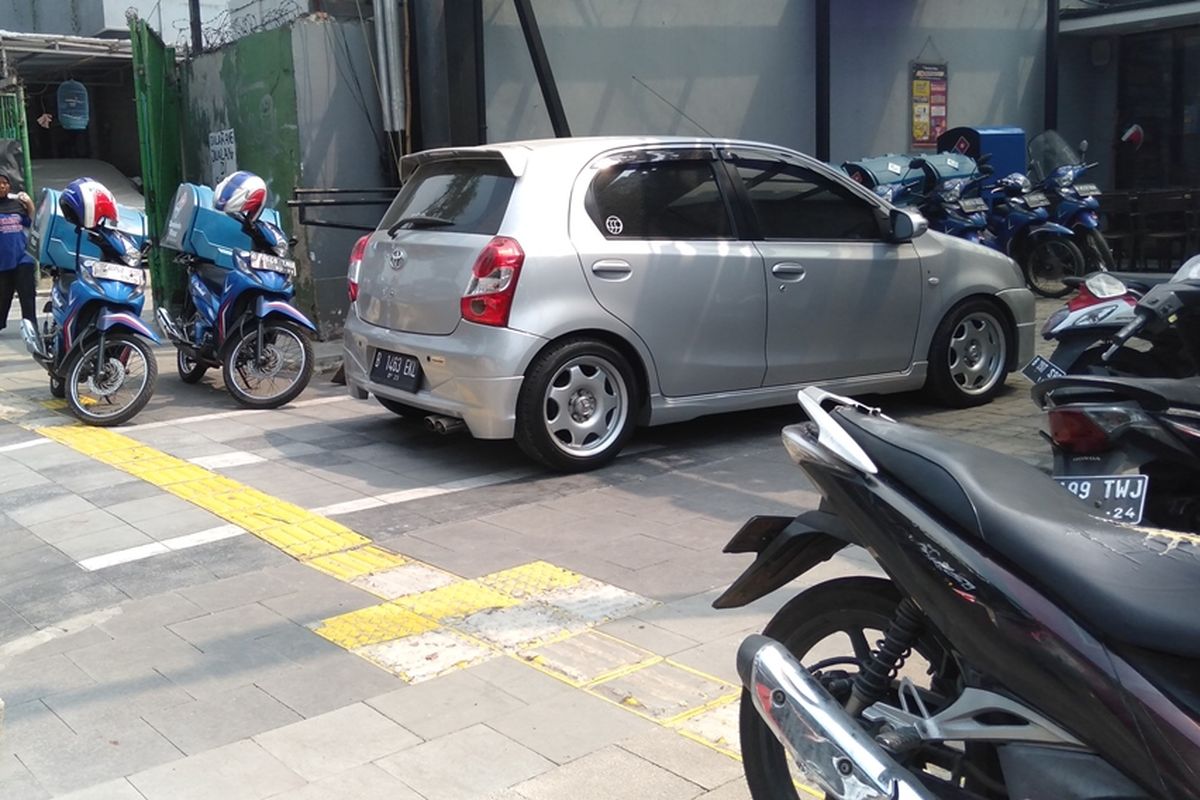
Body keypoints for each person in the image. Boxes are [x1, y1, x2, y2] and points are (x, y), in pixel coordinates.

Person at [0, 173, 36, 332]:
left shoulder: (17, 206)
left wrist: (29, 203)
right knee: (2, 297)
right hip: (3, 262)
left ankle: (31, 328)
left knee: (27, 297)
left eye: (4, 183)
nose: (2, 186)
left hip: (23, 259)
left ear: (9, 186)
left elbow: (33, 220)